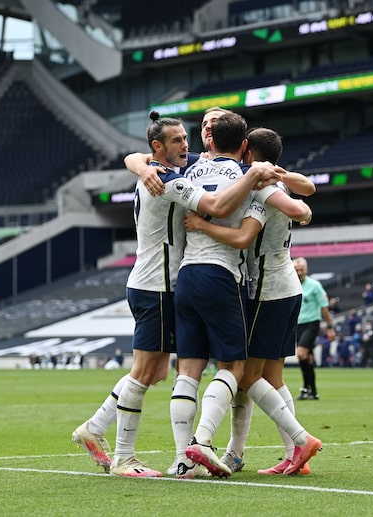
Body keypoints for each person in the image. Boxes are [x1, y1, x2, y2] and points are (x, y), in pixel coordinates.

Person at [71, 111, 280, 477]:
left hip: (161, 281)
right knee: (146, 370)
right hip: (158, 284)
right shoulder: (165, 179)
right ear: (158, 147)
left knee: (157, 372)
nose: (187, 145)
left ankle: (95, 428)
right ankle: (123, 456)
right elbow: (215, 205)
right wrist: (252, 178)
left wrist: (138, 163)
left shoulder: (172, 167)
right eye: (178, 141)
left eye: (188, 138)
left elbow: (198, 161)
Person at [177, 113, 314, 478]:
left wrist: (202, 223)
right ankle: (279, 452)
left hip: (268, 287)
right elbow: (307, 198)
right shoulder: (258, 179)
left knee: (247, 375)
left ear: (247, 152)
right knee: (271, 377)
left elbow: (299, 210)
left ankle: (294, 444)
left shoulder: (257, 185)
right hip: (281, 285)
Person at [293, 256, 334, 401]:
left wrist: (330, 327)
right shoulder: (291, 285)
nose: (299, 273)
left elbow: (324, 308)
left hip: (311, 323)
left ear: (306, 270)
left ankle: (306, 388)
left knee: (301, 354)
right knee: (308, 358)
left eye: (301, 270)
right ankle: (312, 391)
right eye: (296, 270)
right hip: (297, 325)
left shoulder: (315, 285)